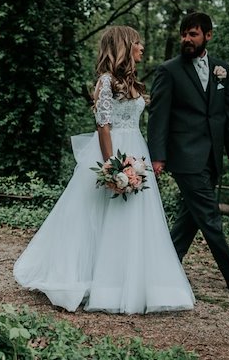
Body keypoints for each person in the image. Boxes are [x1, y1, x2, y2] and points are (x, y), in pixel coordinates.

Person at [13, 26, 195, 314]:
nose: (142, 47)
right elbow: (103, 125)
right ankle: (98, 282)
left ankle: (129, 282)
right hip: (114, 152)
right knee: (97, 216)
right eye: (138, 42)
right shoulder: (106, 82)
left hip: (136, 149)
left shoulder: (133, 83)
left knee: (132, 218)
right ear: (124, 45)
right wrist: (113, 164)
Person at [146, 11, 229, 292]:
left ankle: (164, 264)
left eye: (193, 34)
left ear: (208, 36)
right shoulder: (169, 70)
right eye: (184, 34)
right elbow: (158, 116)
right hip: (185, 155)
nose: (186, 39)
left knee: (191, 216)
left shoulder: (222, 69)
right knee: (209, 214)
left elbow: (228, 113)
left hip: (212, 155)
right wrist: (157, 156)